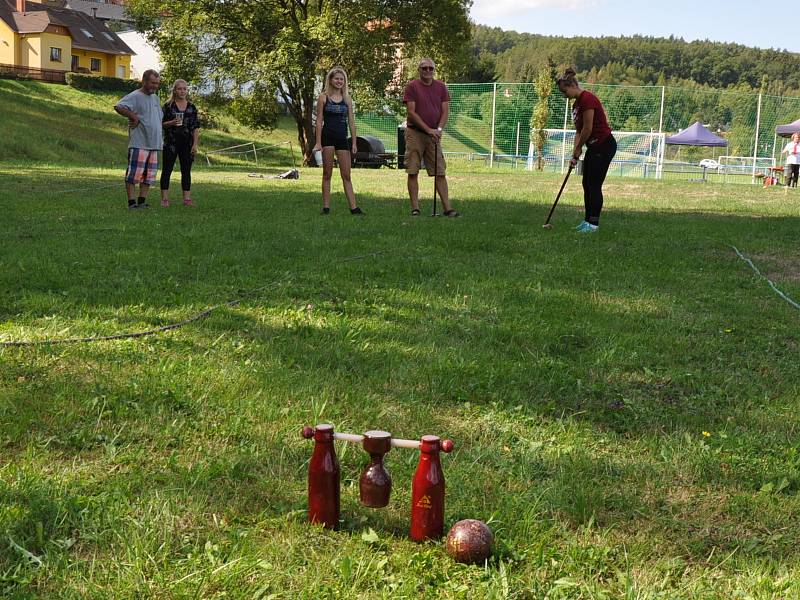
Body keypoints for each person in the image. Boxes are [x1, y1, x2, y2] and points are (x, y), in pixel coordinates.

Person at [556, 67, 616, 232]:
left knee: (594, 184)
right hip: (593, 146)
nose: (564, 95)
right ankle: (587, 221)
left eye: (564, 91)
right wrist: (575, 152)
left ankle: (593, 224)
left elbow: (588, 129)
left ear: (572, 86)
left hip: (604, 145)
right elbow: (578, 131)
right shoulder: (576, 105)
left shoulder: (588, 99)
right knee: (586, 183)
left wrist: (579, 147)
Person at [403, 58, 459, 217]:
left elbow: (445, 111)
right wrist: (428, 130)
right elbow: (411, 113)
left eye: (430, 68)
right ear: (419, 70)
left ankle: (448, 208)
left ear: (434, 70)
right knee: (413, 170)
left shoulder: (441, 87)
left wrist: (439, 129)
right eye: (424, 68)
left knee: (439, 171)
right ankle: (415, 208)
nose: (428, 71)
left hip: (434, 134)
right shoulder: (412, 87)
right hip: (415, 133)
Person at [312, 67, 363, 215]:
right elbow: (319, 120)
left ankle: (354, 208)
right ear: (330, 79)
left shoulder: (347, 98)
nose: (339, 81)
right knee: (327, 173)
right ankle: (326, 207)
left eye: (342, 79)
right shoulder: (323, 97)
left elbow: (352, 122)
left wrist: (354, 142)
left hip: (342, 138)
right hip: (327, 137)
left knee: (346, 175)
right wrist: (318, 142)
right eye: (337, 78)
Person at [114, 70, 166, 209]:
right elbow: (119, 106)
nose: (155, 86)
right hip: (140, 142)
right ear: (144, 81)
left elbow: (158, 118)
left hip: (154, 143)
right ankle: (132, 203)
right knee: (134, 174)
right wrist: (133, 117)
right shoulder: (135, 95)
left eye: (157, 83)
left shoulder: (155, 98)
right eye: (152, 83)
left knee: (149, 175)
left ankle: (142, 201)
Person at [160, 79, 200, 207]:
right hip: (171, 142)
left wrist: (195, 144)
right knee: (167, 170)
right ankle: (165, 199)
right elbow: (160, 124)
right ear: (174, 90)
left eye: (184, 89)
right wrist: (171, 123)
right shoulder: (168, 106)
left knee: (186, 171)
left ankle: (187, 199)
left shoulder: (192, 107)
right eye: (179, 89)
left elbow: (195, 127)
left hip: (187, 143)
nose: (182, 91)